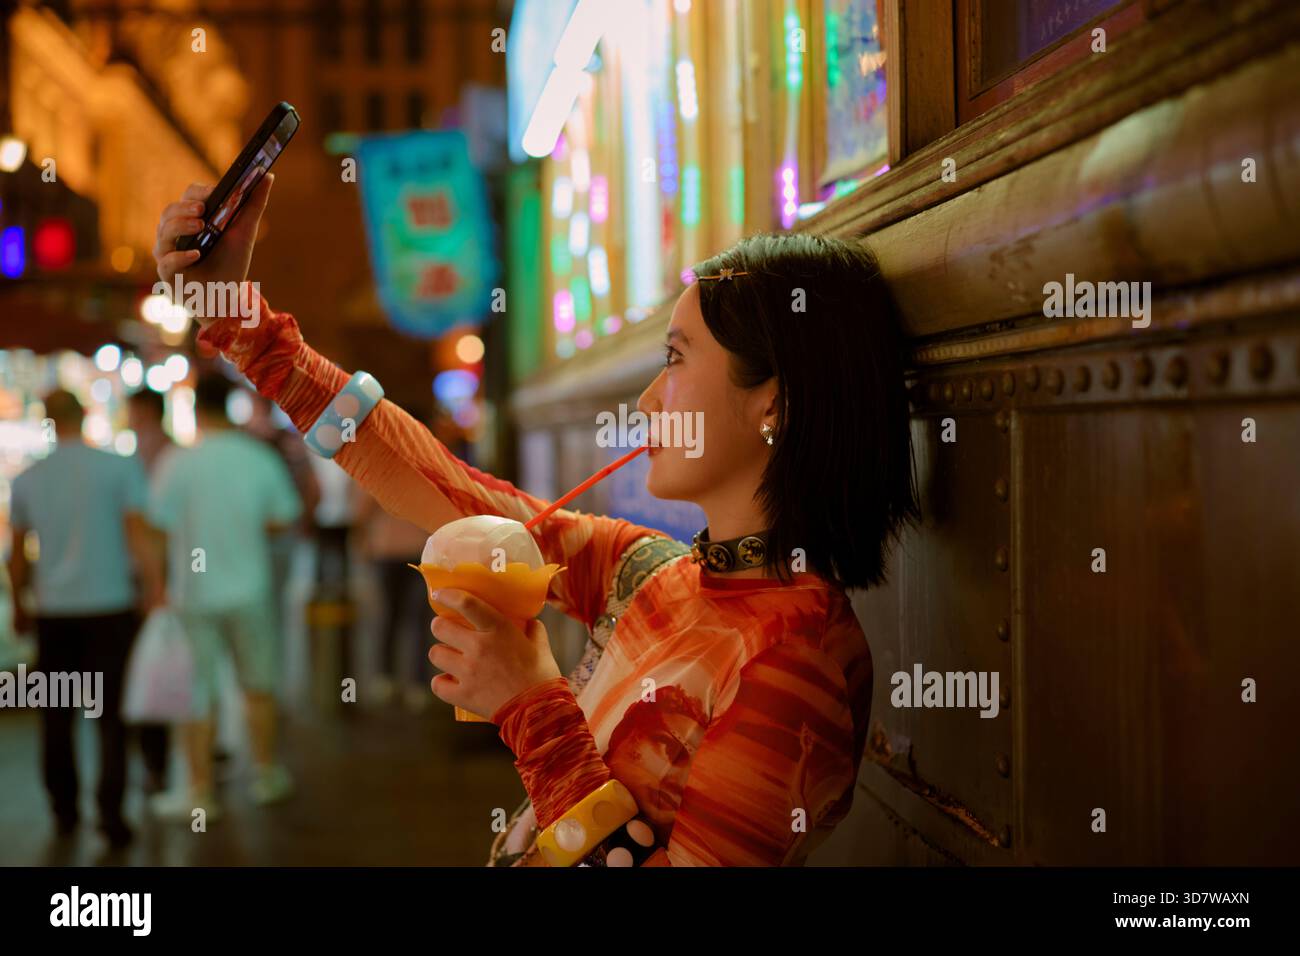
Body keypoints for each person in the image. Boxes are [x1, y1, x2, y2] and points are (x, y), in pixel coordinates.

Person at [153, 175, 917, 865]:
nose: (649, 399)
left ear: (773, 403)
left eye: (678, 358)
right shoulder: (651, 572)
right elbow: (449, 492)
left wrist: (530, 707)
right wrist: (236, 316)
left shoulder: (792, 656)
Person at [8, 389, 163, 848]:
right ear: (85, 415)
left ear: (48, 420)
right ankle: (111, 815)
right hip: (111, 608)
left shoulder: (29, 479)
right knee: (110, 716)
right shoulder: (118, 468)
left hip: (55, 614)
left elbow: (17, 557)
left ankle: (64, 811)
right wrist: (154, 589)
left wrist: (20, 604)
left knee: (56, 717)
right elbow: (138, 536)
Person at [147, 374, 302, 820]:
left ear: (195, 408)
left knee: (198, 693)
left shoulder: (178, 461)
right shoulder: (257, 458)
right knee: (259, 684)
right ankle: (266, 775)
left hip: (193, 594)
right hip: (250, 587)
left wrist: (156, 587)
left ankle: (200, 792)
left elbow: (158, 525)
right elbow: (282, 519)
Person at [124, 388, 174, 793]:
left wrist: (153, 582)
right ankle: (158, 758)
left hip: (154, 577)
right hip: (159, 575)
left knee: (155, 665)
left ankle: (158, 757)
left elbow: (153, 529)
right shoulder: (165, 455)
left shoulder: (154, 459)